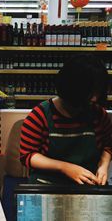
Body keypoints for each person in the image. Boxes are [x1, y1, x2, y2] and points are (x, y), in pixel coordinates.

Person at [20, 54, 112, 185]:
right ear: (71, 89)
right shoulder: (39, 116)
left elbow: (108, 146)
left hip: (87, 186)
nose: (94, 99)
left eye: (97, 92)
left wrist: (103, 165)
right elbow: (27, 156)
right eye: (89, 93)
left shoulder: (98, 114)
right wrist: (64, 167)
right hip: (47, 185)